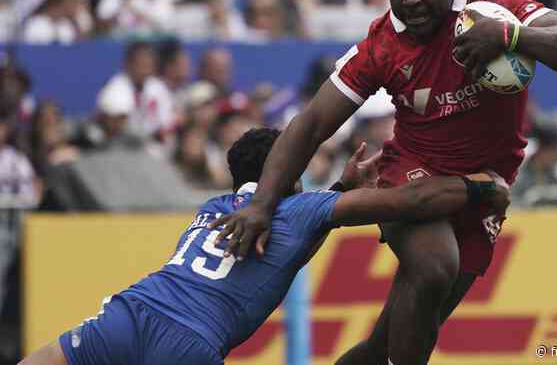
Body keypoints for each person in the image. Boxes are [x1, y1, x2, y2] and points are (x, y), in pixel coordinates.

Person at [212, 0, 557, 365]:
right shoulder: (383, 45)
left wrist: (512, 38)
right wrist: (262, 205)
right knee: (436, 266)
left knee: (384, 348)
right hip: (412, 175)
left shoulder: (494, 9)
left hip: (486, 188)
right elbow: (311, 124)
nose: (412, 0)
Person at [18, 127, 509, 365]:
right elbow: (411, 200)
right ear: (287, 171)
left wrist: (334, 189)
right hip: (188, 343)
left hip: (133, 311)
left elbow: (285, 243)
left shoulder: (212, 205)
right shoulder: (300, 209)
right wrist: (481, 188)